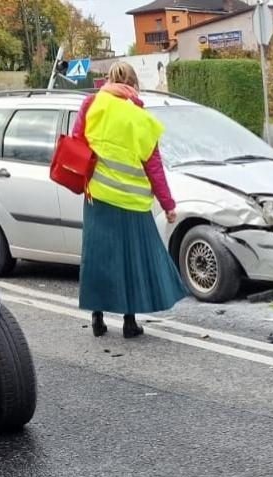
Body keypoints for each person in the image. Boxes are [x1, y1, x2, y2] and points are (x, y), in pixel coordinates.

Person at [74, 61, 185, 339]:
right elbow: (153, 165)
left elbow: (78, 141)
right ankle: (129, 322)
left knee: (99, 258)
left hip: (97, 198)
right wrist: (168, 204)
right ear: (133, 85)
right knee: (130, 261)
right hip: (132, 203)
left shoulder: (91, 104)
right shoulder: (139, 114)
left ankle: (97, 319)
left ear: (109, 81)